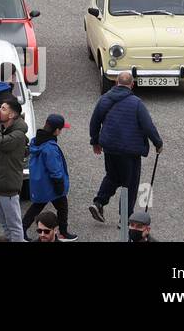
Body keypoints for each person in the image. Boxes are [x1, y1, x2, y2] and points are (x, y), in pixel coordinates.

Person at [89, 72, 163, 225]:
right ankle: (125, 219)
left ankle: (99, 203)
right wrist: (158, 143)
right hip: (129, 152)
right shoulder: (136, 103)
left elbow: (94, 122)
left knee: (112, 176)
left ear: (116, 83)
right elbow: (148, 126)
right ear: (132, 84)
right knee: (129, 184)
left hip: (109, 148)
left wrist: (95, 142)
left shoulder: (104, 99)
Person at [23, 113, 77, 240]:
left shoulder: (37, 141)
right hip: (51, 185)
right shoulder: (50, 148)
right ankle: (63, 232)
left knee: (36, 207)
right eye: (61, 129)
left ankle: (22, 230)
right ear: (56, 130)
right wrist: (59, 184)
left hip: (41, 184)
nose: (61, 131)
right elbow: (55, 169)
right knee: (62, 208)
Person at [0, 95, 28, 241]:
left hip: (8, 187)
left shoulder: (17, 135)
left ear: (12, 115)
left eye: (3, 109)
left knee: (14, 226)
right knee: (4, 225)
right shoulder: (4, 129)